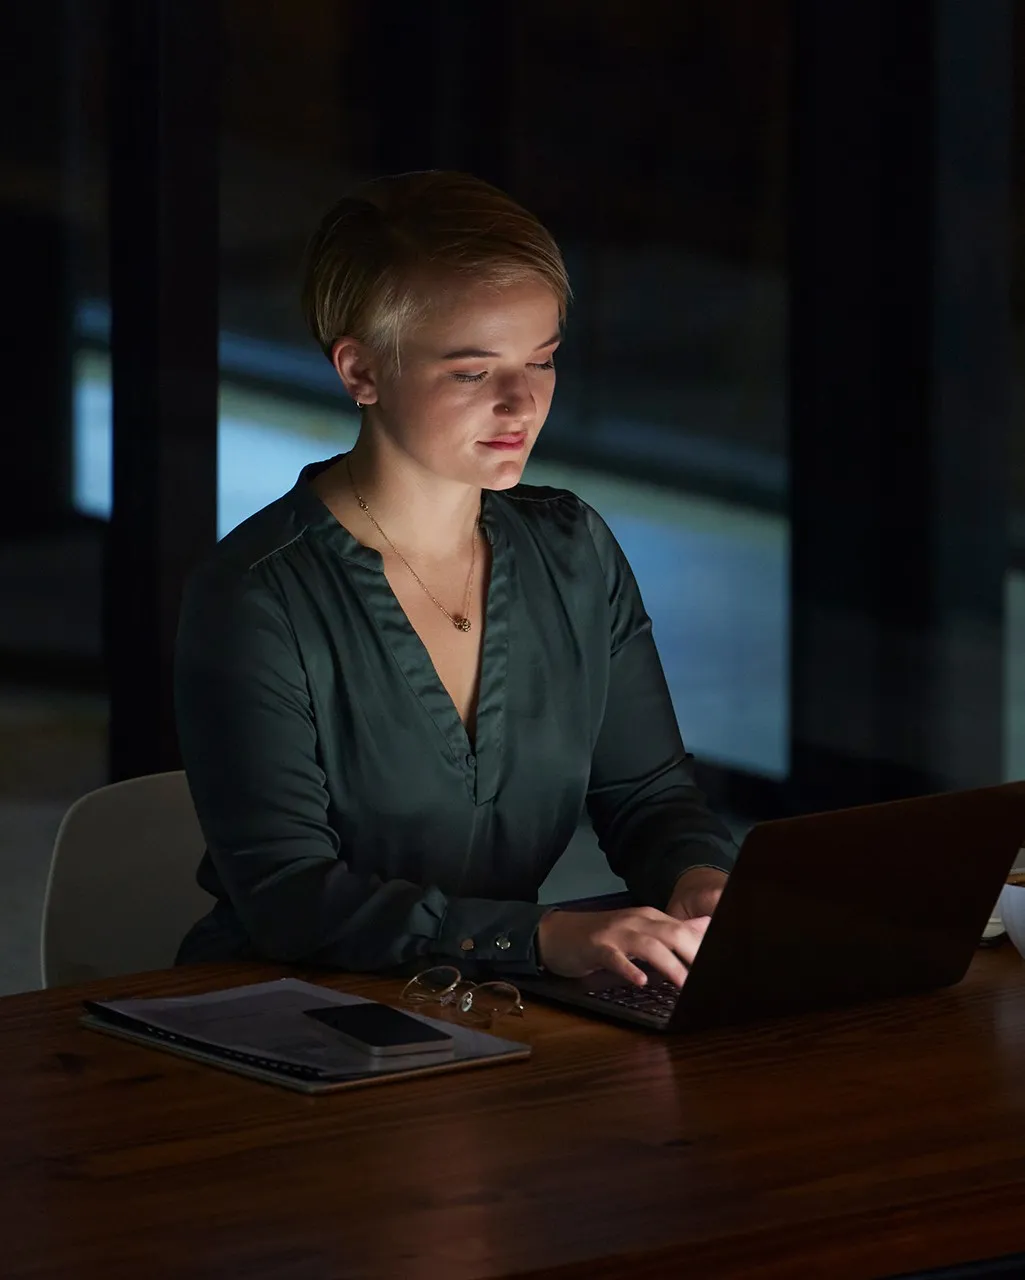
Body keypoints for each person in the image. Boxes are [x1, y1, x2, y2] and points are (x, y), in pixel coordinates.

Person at [175, 170, 738, 990]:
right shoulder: (256, 597)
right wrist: (540, 938)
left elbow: (649, 798)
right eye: (472, 374)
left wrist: (700, 884)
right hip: (286, 1013)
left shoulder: (571, 550)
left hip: (492, 1008)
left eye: (541, 361)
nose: (522, 404)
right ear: (360, 371)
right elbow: (288, 898)